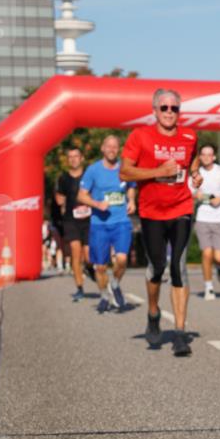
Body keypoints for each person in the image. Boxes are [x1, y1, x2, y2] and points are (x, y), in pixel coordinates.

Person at [120, 88, 200, 357]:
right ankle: (153, 312)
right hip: (152, 211)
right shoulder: (140, 136)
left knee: (178, 266)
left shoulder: (189, 136)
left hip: (181, 208)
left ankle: (179, 333)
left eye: (174, 108)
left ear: (179, 112)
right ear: (155, 111)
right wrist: (158, 172)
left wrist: (196, 175)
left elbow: (193, 159)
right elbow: (125, 170)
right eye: (164, 108)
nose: (169, 112)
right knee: (157, 267)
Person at [77, 134, 137, 313]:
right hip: (99, 224)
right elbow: (81, 195)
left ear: (118, 149)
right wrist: (96, 204)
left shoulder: (125, 169)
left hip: (121, 222)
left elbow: (132, 186)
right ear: (102, 148)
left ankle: (115, 284)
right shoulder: (93, 170)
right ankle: (104, 295)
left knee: (122, 259)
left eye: (115, 146)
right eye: (108, 146)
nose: (111, 149)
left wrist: (132, 201)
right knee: (101, 266)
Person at [192, 144, 220, 300]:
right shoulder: (196, 174)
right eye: (203, 154)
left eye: (209, 154)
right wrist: (210, 199)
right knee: (206, 253)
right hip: (203, 217)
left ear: (214, 157)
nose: (206, 157)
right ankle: (209, 287)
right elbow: (194, 194)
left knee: (219, 257)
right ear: (200, 157)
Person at [55, 147, 93, 301]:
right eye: (70, 157)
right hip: (71, 220)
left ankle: (90, 268)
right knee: (75, 252)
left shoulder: (89, 175)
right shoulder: (63, 178)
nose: (73, 159)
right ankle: (79, 287)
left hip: (89, 220)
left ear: (81, 158)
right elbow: (59, 198)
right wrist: (60, 200)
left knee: (89, 256)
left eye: (76, 156)